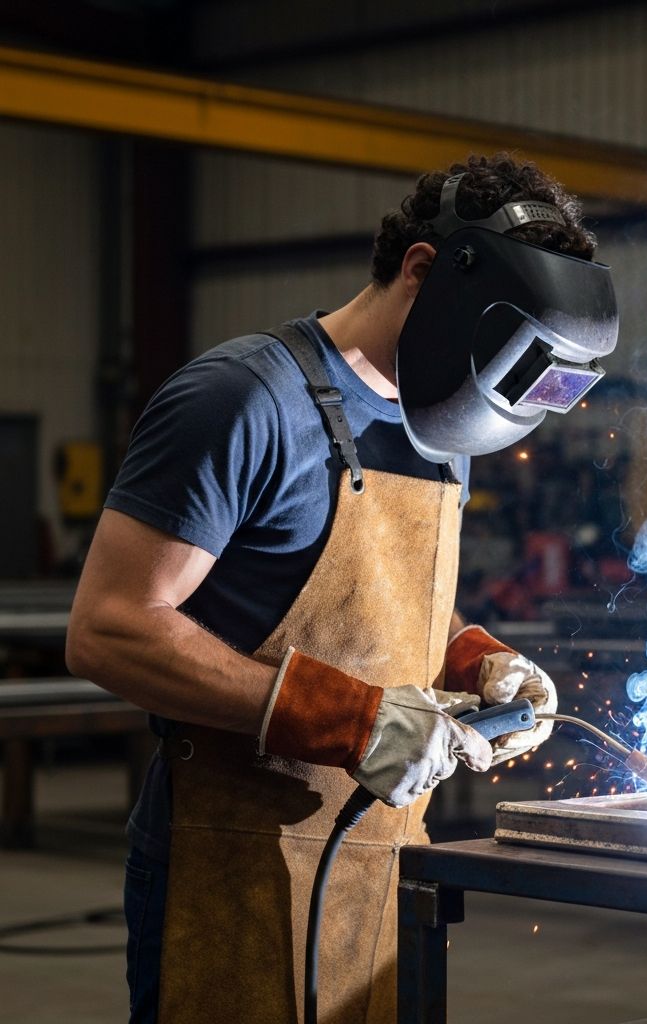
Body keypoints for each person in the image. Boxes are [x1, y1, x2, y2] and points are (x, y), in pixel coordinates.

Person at [66, 152, 617, 1024]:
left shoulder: (441, 433)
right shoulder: (243, 399)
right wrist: (351, 721)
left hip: (385, 859)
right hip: (231, 855)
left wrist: (477, 658)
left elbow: (394, 604)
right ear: (423, 271)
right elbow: (109, 628)